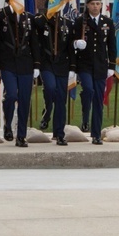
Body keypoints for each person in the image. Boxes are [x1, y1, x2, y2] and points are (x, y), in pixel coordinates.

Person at [0, 0, 41, 147]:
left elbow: (34, 42)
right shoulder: (3, 17)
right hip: (8, 62)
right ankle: (8, 123)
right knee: (11, 95)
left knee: (25, 100)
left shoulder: (29, 18)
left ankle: (21, 136)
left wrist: (37, 65)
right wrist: (8, 9)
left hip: (26, 63)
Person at [71, 0, 116, 144]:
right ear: (88, 5)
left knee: (98, 99)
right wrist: (77, 43)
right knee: (88, 90)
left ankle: (96, 134)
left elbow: (112, 45)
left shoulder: (107, 22)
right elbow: (71, 42)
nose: (95, 6)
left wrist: (112, 65)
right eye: (93, 4)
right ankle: (85, 117)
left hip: (101, 66)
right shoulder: (80, 22)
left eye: (98, 4)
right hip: (84, 64)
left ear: (101, 5)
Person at [34, 8, 75, 145]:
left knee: (61, 99)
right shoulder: (41, 21)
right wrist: (46, 16)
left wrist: (72, 67)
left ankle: (59, 133)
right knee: (50, 88)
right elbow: (35, 24)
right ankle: (47, 112)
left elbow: (70, 46)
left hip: (62, 64)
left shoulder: (67, 24)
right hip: (46, 63)